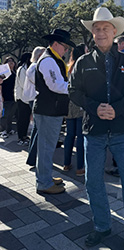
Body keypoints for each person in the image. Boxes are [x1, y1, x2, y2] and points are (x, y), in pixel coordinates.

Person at [69, 7, 124, 249]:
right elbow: (73, 91)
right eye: (97, 28)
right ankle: (102, 226)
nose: (100, 32)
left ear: (114, 32)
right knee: (93, 181)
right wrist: (94, 107)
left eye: (105, 28)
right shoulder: (82, 62)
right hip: (94, 131)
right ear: (92, 32)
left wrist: (118, 108)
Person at [33, 29, 75, 194]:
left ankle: (45, 177)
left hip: (50, 109)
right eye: (65, 46)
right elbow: (56, 85)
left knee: (47, 147)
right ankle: (43, 182)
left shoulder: (52, 59)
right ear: (56, 44)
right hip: (48, 110)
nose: (66, 50)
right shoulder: (49, 60)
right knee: (46, 148)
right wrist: (75, 88)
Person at [63, 43, 88, 177]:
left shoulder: (68, 66)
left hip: (69, 103)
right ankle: (80, 167)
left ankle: (66, 163)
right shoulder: (83, 66)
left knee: (69, 135)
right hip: (80, 104)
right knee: (80, 136)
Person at [23, 46, 46, 168]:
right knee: (38, 129)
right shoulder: (34, 67)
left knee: (36, 129)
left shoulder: (34, 67)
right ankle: (33, 157)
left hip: (34, 99)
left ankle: (32, 158)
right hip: (35, 99)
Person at [15, 52, 32, 146]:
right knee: (22, 119)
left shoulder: (27, 69)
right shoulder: (22, 69)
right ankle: (20, 137)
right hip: (22, 98)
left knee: (26, 119)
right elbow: (23, 84)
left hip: (26, 97)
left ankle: (24, 135)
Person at [0, 57, 17, 139]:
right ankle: (2, 130)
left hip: (13, 96)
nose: (11, 63)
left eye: (12, 61)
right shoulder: (4, 74)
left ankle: (9, 129)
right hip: (5, 97)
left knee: (10, 114)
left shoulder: (15, 73)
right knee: (5, 115)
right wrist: (1, 96)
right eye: (8, 62)